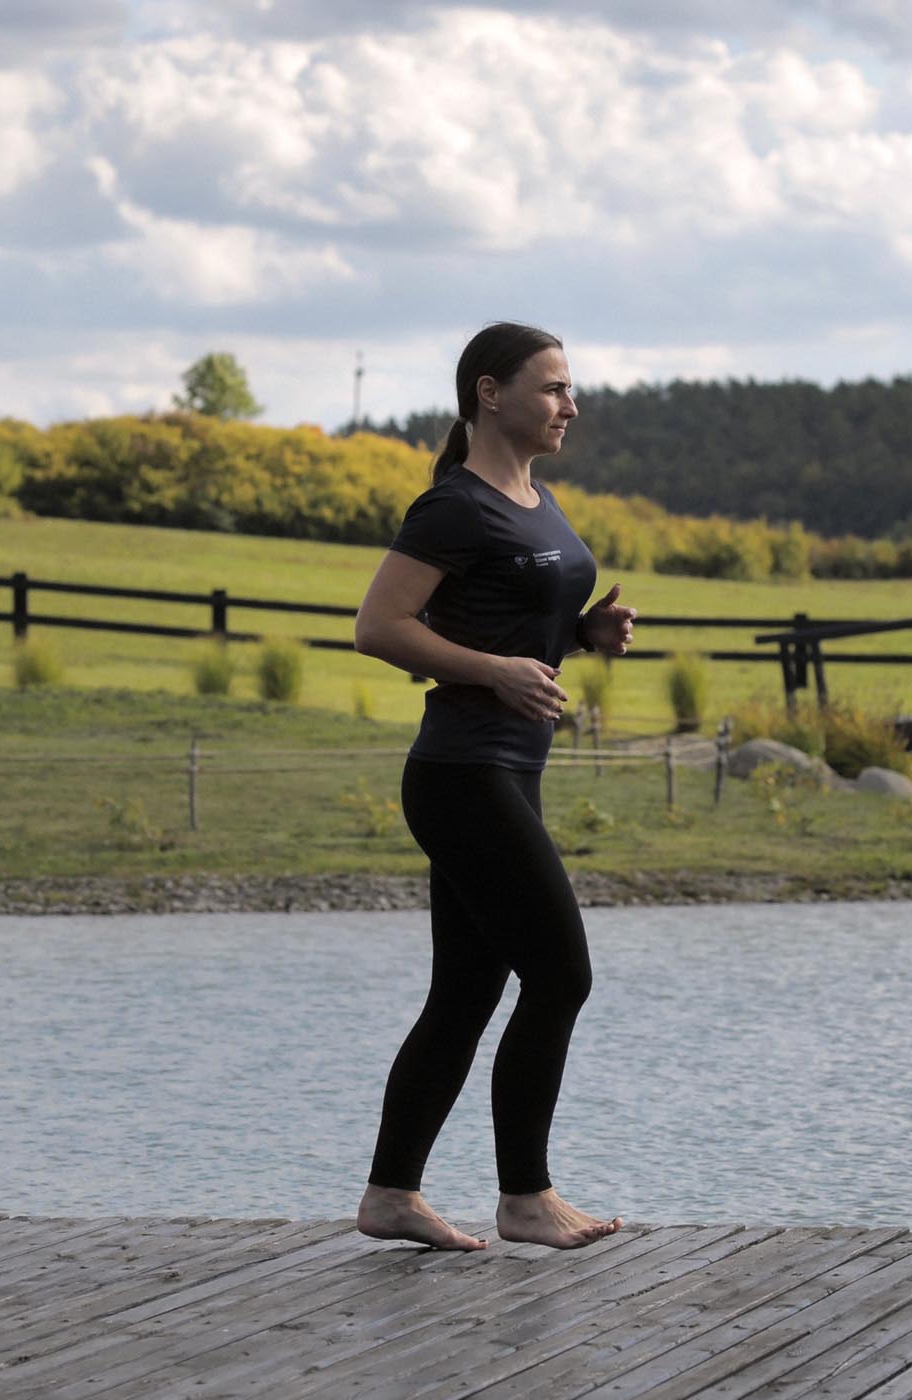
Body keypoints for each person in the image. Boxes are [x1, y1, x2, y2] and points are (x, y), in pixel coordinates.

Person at [351, 321, 635, 1251]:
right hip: (462, 773)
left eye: (568, 388)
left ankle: (391, 1195)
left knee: (466, 993)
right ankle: (525, 1198)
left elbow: (514, 625)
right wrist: (492, 671)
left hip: (510, 769)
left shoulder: (535, 499)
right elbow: (378, 627)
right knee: (560, 974)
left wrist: (581, 635)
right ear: (489, 392)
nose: (570, 405)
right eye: (552, 388)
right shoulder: (453, 507)